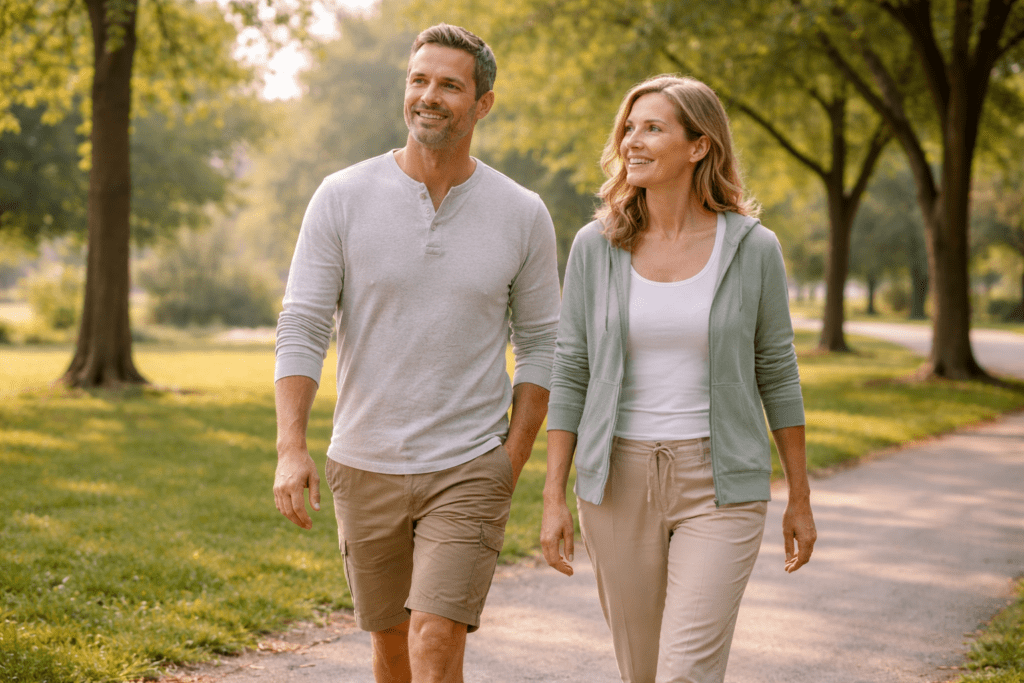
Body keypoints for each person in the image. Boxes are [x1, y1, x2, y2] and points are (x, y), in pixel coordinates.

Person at [272, 24, 561, 683]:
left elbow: (543, 345)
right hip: (363, 461)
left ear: (482, 104)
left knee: (436, 640)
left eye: (449, 85)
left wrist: (507, 464)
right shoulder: (341, 196)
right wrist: (292, 445)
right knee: (394, 646)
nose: (429, 96)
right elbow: (304, 322)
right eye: (419, 80)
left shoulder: (522, 212)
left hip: (467, 464)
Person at [540, 74, 817, 683]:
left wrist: (799, 494)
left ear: (699, 146)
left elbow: (777, 370)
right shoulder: (596, 246)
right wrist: (553, 492)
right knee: (641, 672)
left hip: (721, 484)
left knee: (685, 672)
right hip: (617, 483)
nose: (632, 141)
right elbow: (572, 369)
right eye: (629, 128)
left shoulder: (753, 248)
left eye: (653, 128)